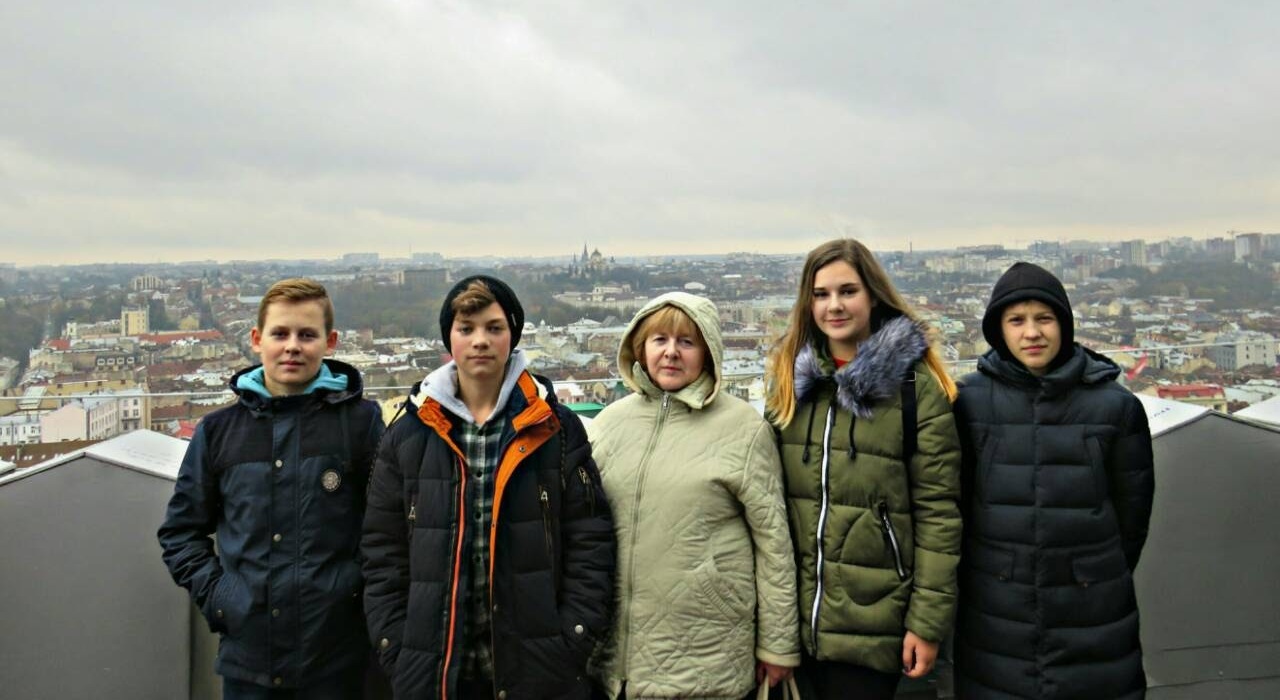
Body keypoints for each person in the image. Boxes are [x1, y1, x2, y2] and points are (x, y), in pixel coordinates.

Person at [361, 275, 614, 699]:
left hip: (539, 669)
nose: (480, 340)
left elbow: (590, 540)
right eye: (466, 328)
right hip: (435, 671)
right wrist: (399, 648)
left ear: (512, 336)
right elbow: (381, 550)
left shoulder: (555, 428)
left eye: (494, 328)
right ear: (449, 338)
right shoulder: (408, 434)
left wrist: (571, 639)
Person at [158, 278, 386, 699]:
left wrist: (351, 594)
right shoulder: (219, 432)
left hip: (339, 658)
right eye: (280, 334)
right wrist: (222, 597)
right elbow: (180, 533)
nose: (292, 346)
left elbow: (387, 528)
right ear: (256, 339)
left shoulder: (360, 423)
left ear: (330, 342)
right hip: (249, 664)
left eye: (307, 335)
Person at [765, 239, 963, 700]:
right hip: (793, 628)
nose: (833, 306)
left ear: (873, 296)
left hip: (876, 627)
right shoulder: (789, 387)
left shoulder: (915, 391)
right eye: (820, 294)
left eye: (847, 291)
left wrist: (926, 624)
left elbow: (939, 516)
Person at [951, 262, 1154, 699]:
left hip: (1092, 611)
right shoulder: (968, 403)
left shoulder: (1115, 407)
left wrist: (1089, 571)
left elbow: (1132, 519)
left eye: (1044, 318)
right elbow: (955, 506)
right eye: (1016, 320)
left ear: (1064, 323)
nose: (1032, 333)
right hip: (995, 611)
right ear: (997, 329)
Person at [588, 292, 800, 699]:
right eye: (659, 340)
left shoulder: (743, 429)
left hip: (707, 650)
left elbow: (773, 543)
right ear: (640, 348)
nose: (671, 352)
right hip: (614, 659)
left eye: (686, 342)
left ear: (708, 353)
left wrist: (778, 645)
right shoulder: (609, 424)